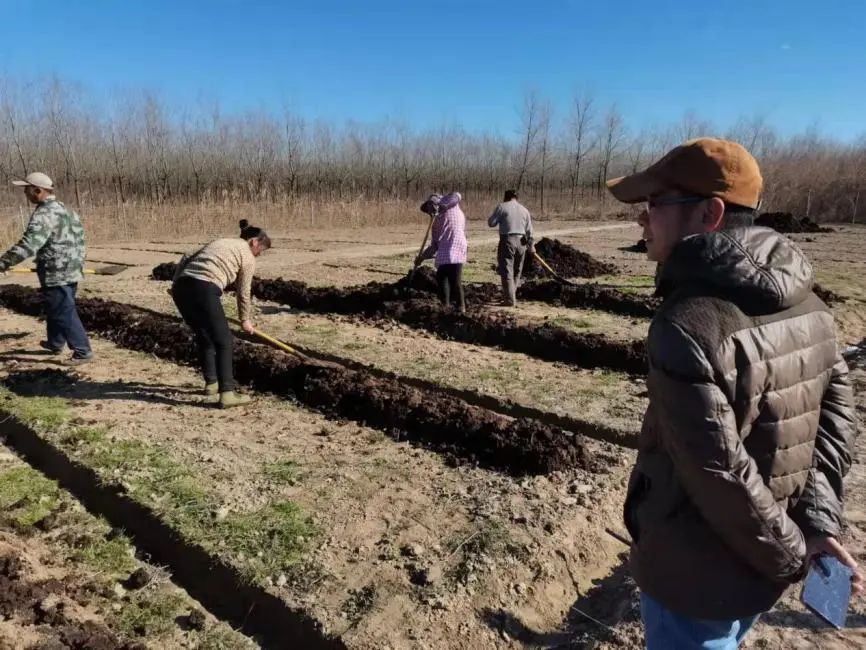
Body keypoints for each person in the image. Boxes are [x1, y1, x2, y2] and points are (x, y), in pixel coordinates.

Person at [606, 137, 861, 649]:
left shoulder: (687, 325)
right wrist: (815, 526)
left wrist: (793, 557)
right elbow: (830, 430)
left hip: (695, 577)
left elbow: (718, 473)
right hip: (758, 566)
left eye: (654, 204)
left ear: (710, 214)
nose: (642, 219)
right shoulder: (810, 305)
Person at [171, 226, 271, 409]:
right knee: (224, 340)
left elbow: (187, 255)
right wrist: (245, 319)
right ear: (254, 241)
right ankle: (227, 393)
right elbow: (243, 291)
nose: (259, 255)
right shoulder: (247, 256)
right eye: (261, 250)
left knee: (204, 335)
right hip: (205, 287)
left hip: (181, 289)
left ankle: (211, 384)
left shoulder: (221, 242)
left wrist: (175, 282)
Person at [0, 172, 93, 365]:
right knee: (56, 306)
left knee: (62, 310)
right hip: (72, 268)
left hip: (56, 271)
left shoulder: (44, 214)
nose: (25, 193)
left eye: (27, 189)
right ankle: (55, 342)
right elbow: (80, 239)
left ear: (38, 190)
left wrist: (3, 262)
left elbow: (28, 245)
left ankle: (82, 351)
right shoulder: (65, 209)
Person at [415, 192, 467, 313]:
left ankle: (461, 306)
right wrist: (421, 258)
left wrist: (444, 206)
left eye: (431, 208)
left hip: (457, 246)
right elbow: (434, 246)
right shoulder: (436, 223)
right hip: (444, 250)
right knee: (441, 276)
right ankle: (445, 305)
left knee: (455, 278)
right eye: (429, 210)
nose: (430, 212)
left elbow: (457, 195)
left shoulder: (452, 206)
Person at [488, 189, 533, 306]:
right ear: (516, 198)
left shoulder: (502, 207)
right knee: (517, 271)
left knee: (507, 270)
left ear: (506, 197)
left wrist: (498, 216)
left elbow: (491, 223)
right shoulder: (524, 210)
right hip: (522, 242)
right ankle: (510, 295)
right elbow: (529, 231)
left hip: (508, 240)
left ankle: (509, 300)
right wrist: (531, 246)